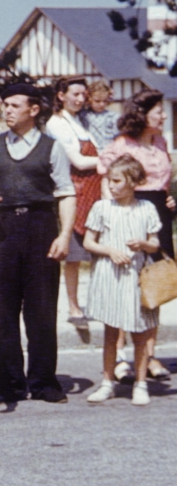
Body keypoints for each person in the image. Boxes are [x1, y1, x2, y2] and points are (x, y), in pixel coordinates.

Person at [0, 83, 76, 404]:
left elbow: (66, 192)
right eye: (4, 105)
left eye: (14, 105)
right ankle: (8, 384)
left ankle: (44, 381)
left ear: (34, 110)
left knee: (42, 310)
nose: (6, 110)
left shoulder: (52, 147)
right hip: (2, 231)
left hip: (41, 228)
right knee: (4, 311)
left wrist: (64, 235)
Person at [98, 88, 174, 380]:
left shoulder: (162, 141)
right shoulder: (122, 144)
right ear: (142, 114)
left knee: (152, 286)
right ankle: (119, 357)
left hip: (157, 217)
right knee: (123, 287)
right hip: (128, 214)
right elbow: (106, 177)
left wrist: (169, 200)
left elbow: (163, 182)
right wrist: (111, 216)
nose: (164, 116)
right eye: (158, 111)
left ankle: (149, 355)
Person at [83, 155, 161, 406]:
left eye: (117, 180)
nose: (112, 185)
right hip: (109, 276)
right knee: (110, 333)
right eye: (110, 180)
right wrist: (110, 251)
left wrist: (143, 244)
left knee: (140, 333)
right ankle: (107, 382)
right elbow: (89, 242)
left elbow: (155, 243)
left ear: (133, 181)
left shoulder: (146, 208)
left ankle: (140, 383)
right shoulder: (102, 208)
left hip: (136, 278)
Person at [45, 76, 101, 328]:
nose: (80, 99)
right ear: (61, 95)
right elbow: (77, 161)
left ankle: (97, 302)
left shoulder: (81, 121)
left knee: (98, 249)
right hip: (73, 189)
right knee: (75, 254)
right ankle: (74, 305)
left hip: (95, 188)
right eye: (75, 94)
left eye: (83, 95)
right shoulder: (56, 123)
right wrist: (108, 161)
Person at [80, 80, 118, 151]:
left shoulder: (113, 117)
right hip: (89, 152)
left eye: (105, 101)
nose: (102, 104)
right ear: (89, 98)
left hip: (108, 151)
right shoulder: (82, 115)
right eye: (97, 101)